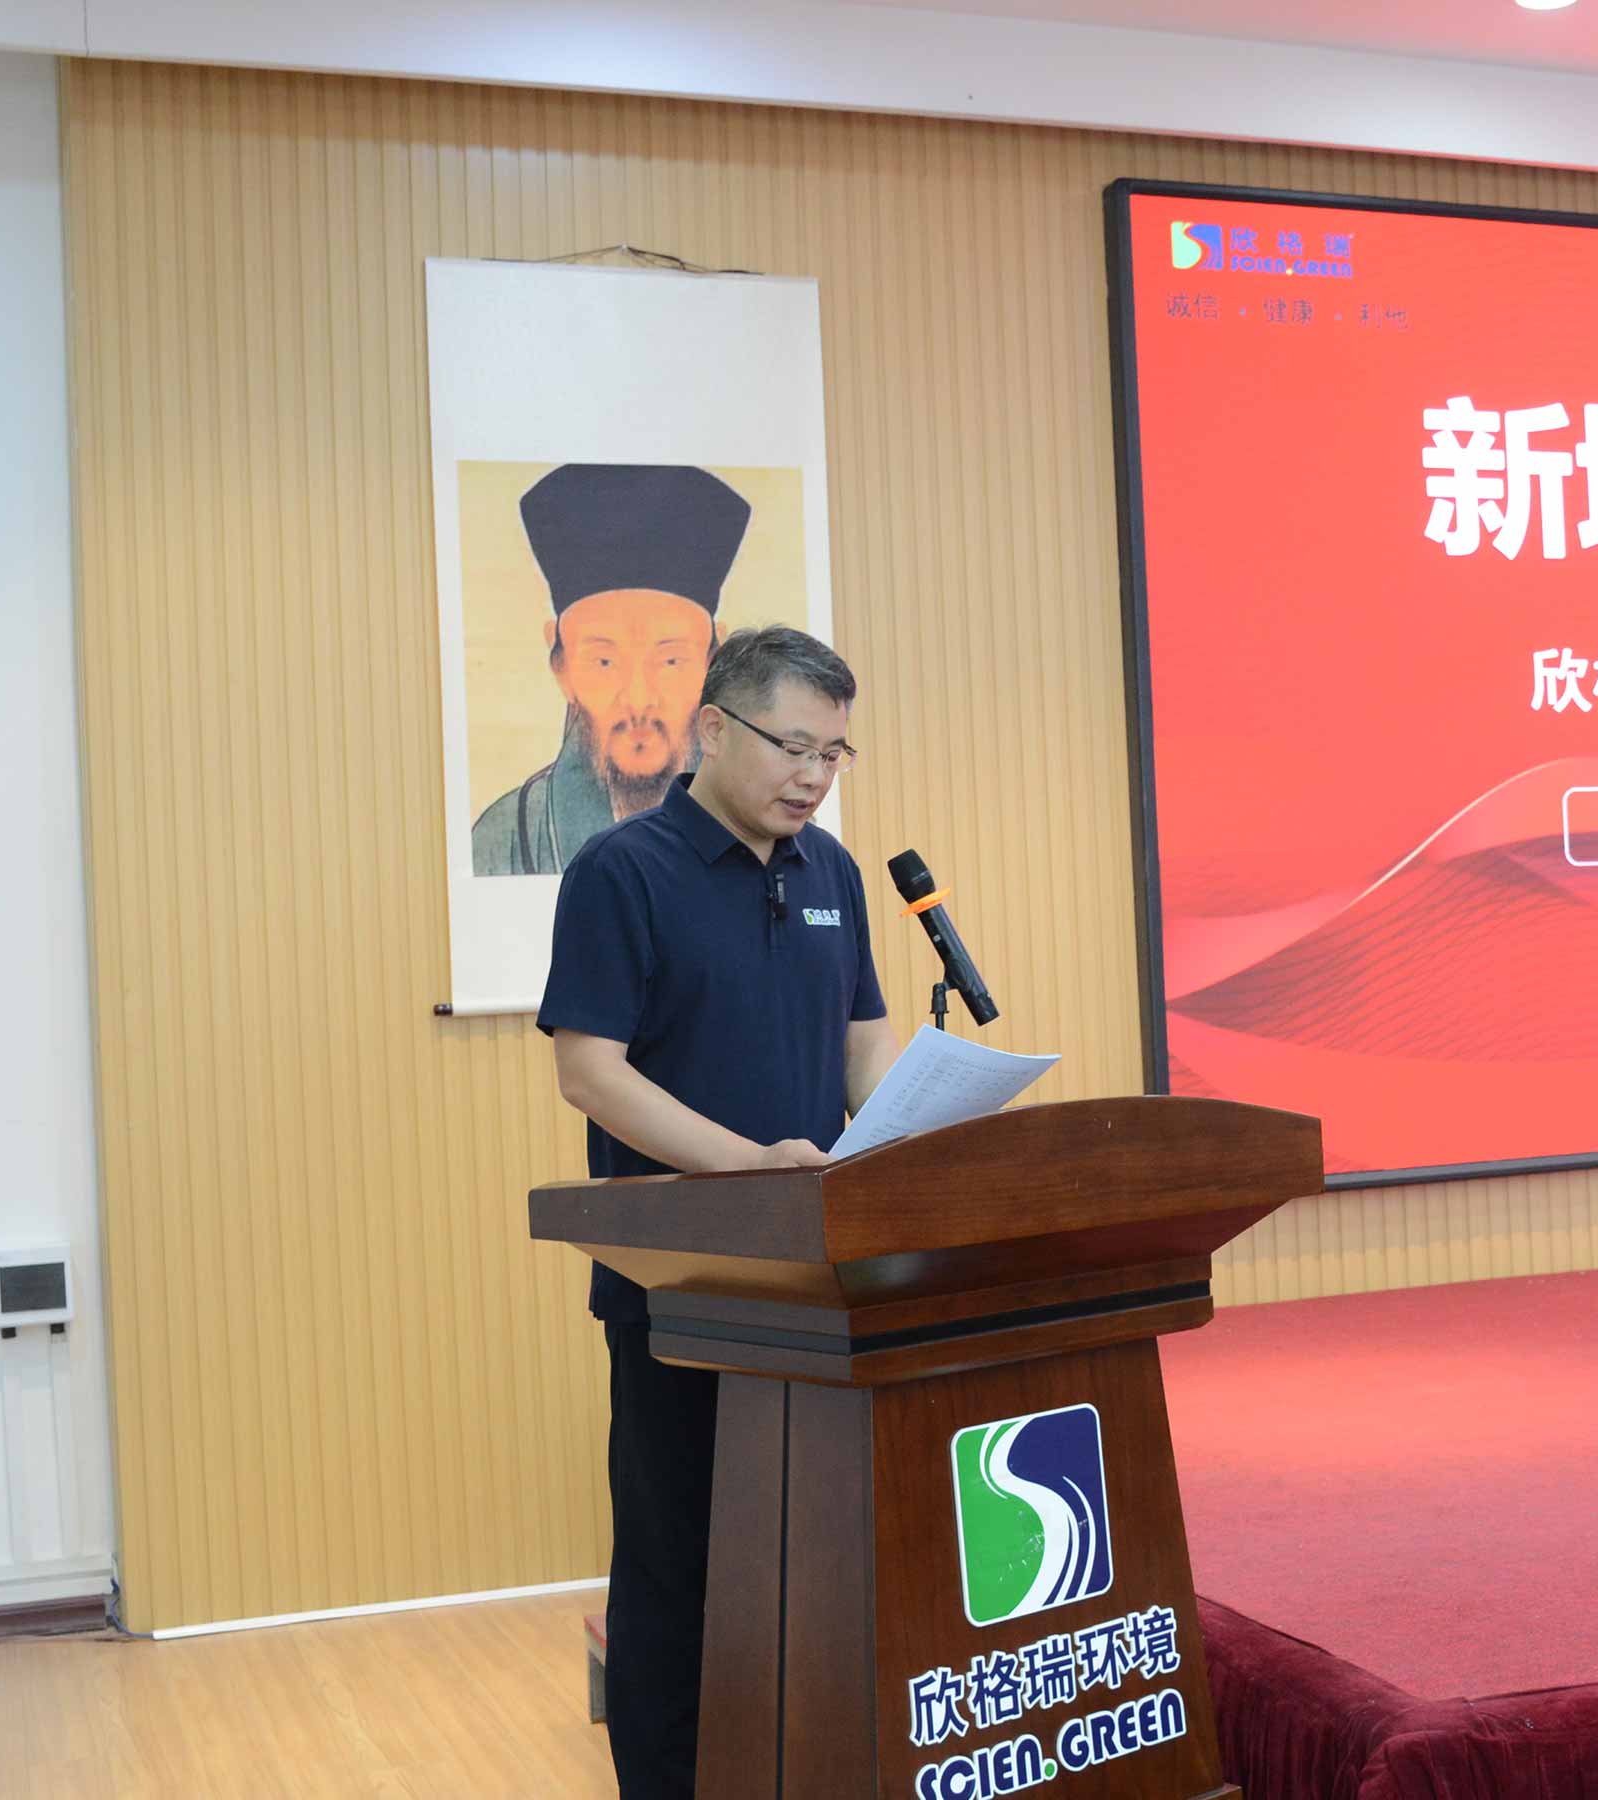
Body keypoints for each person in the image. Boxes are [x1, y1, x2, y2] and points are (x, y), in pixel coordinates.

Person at [537, 624, 901, 1796]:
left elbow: (862, 1047)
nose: (814, 775)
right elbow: (591, 1072)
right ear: (714, 729)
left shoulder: (832, 873)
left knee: (815, 1557)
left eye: (834, 753)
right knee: (678, 1563)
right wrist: (750, 1170)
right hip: (680, 1285)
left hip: (817, 1282)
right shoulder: (623, 872)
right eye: (794, 746)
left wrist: (918, 1130)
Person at [474, 463, 751, 876]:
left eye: (671, 661)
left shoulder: (762, 825)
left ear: (712, 663)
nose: (638, 700)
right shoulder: (506, 838)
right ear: (561, 667)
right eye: (604, 662)